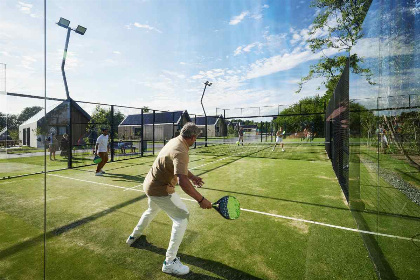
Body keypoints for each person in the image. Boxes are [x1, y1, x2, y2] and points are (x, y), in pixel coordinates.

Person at [126, 122, 212, 276]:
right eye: (195, 138)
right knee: (182, 217)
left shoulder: (175, 140)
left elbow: (178, 167)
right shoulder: (181, 150)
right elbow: (182, 181)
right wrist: (201, 199)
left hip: (149, 184)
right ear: (192, 137)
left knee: (151, 210)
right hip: (160, 188)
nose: (195, 140)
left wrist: (192, 177)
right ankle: (169, 262)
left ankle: (133, 236)